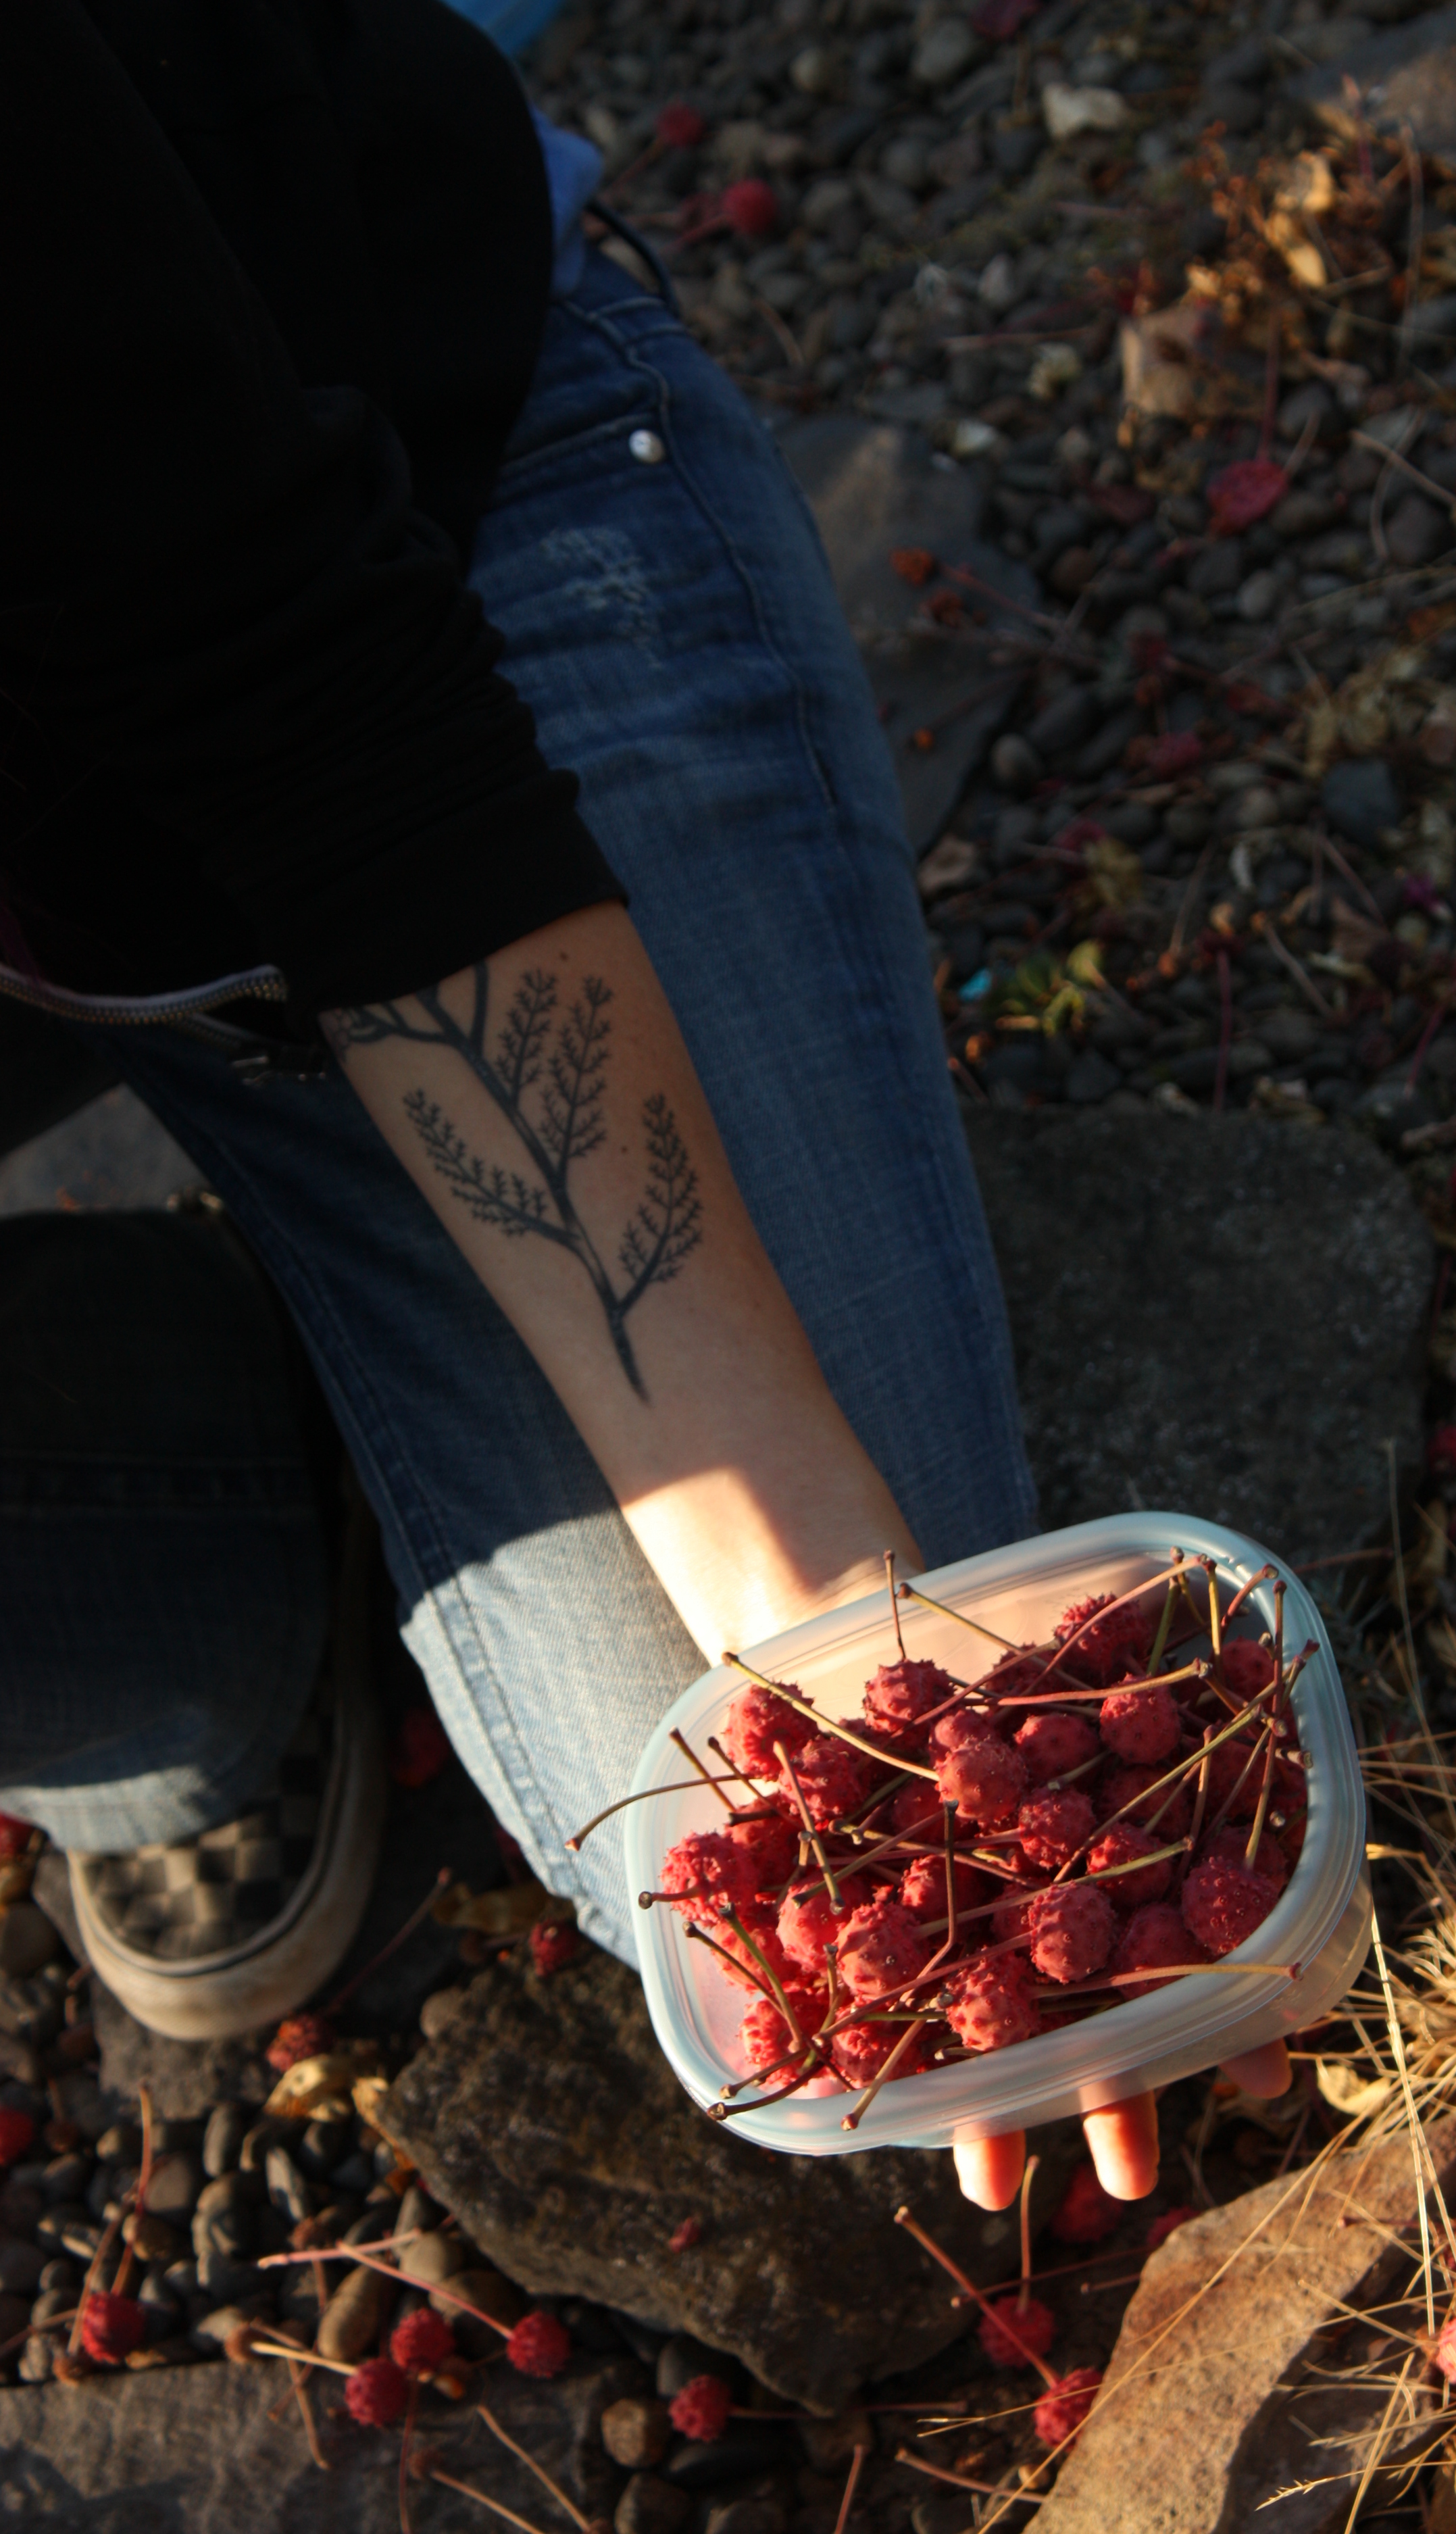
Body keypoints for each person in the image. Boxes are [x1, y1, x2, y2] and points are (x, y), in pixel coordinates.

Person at [1, 0, 1286, 2211]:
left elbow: (300, 688)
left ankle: (261, 1452)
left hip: (394, 561)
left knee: (754, 1830)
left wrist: (794, 1555)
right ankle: (201, 1560)